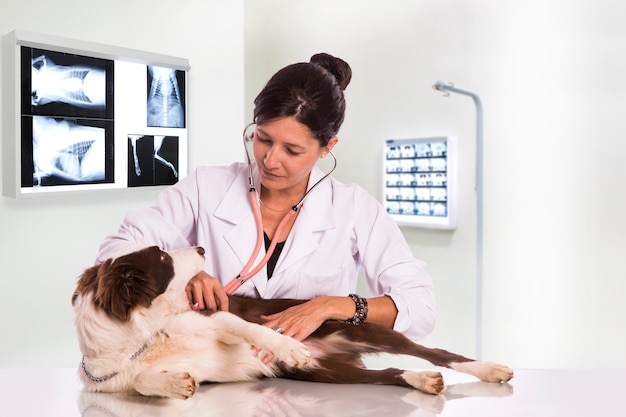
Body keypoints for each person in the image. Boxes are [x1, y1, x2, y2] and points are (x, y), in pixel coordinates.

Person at [96, 53, 436, 344]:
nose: (270, 160)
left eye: (292, 150)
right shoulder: (206, 187)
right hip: (218, 378)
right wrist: (178, 274)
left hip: (315, 387)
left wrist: (331, 305)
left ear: (327, 147)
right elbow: (116, 249)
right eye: (263, 138)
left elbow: (420, 308)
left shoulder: (354, 209)